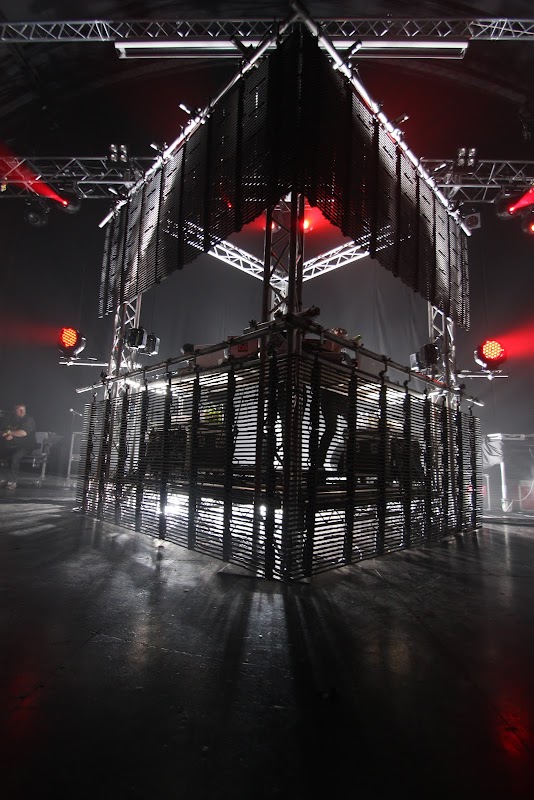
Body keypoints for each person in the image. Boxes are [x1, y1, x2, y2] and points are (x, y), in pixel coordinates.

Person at [0, 402, 37, 489]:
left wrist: (9, 432)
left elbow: (23, 433)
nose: (21, 412)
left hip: (25, 446)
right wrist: (5, 435)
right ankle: (3, 477)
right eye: (19, 410)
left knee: (15, 457)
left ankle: (13, 481)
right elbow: (1, 431)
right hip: (10, 445)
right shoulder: (9, 419)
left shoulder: (28, 419)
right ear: (14, 410)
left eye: (23, 410)